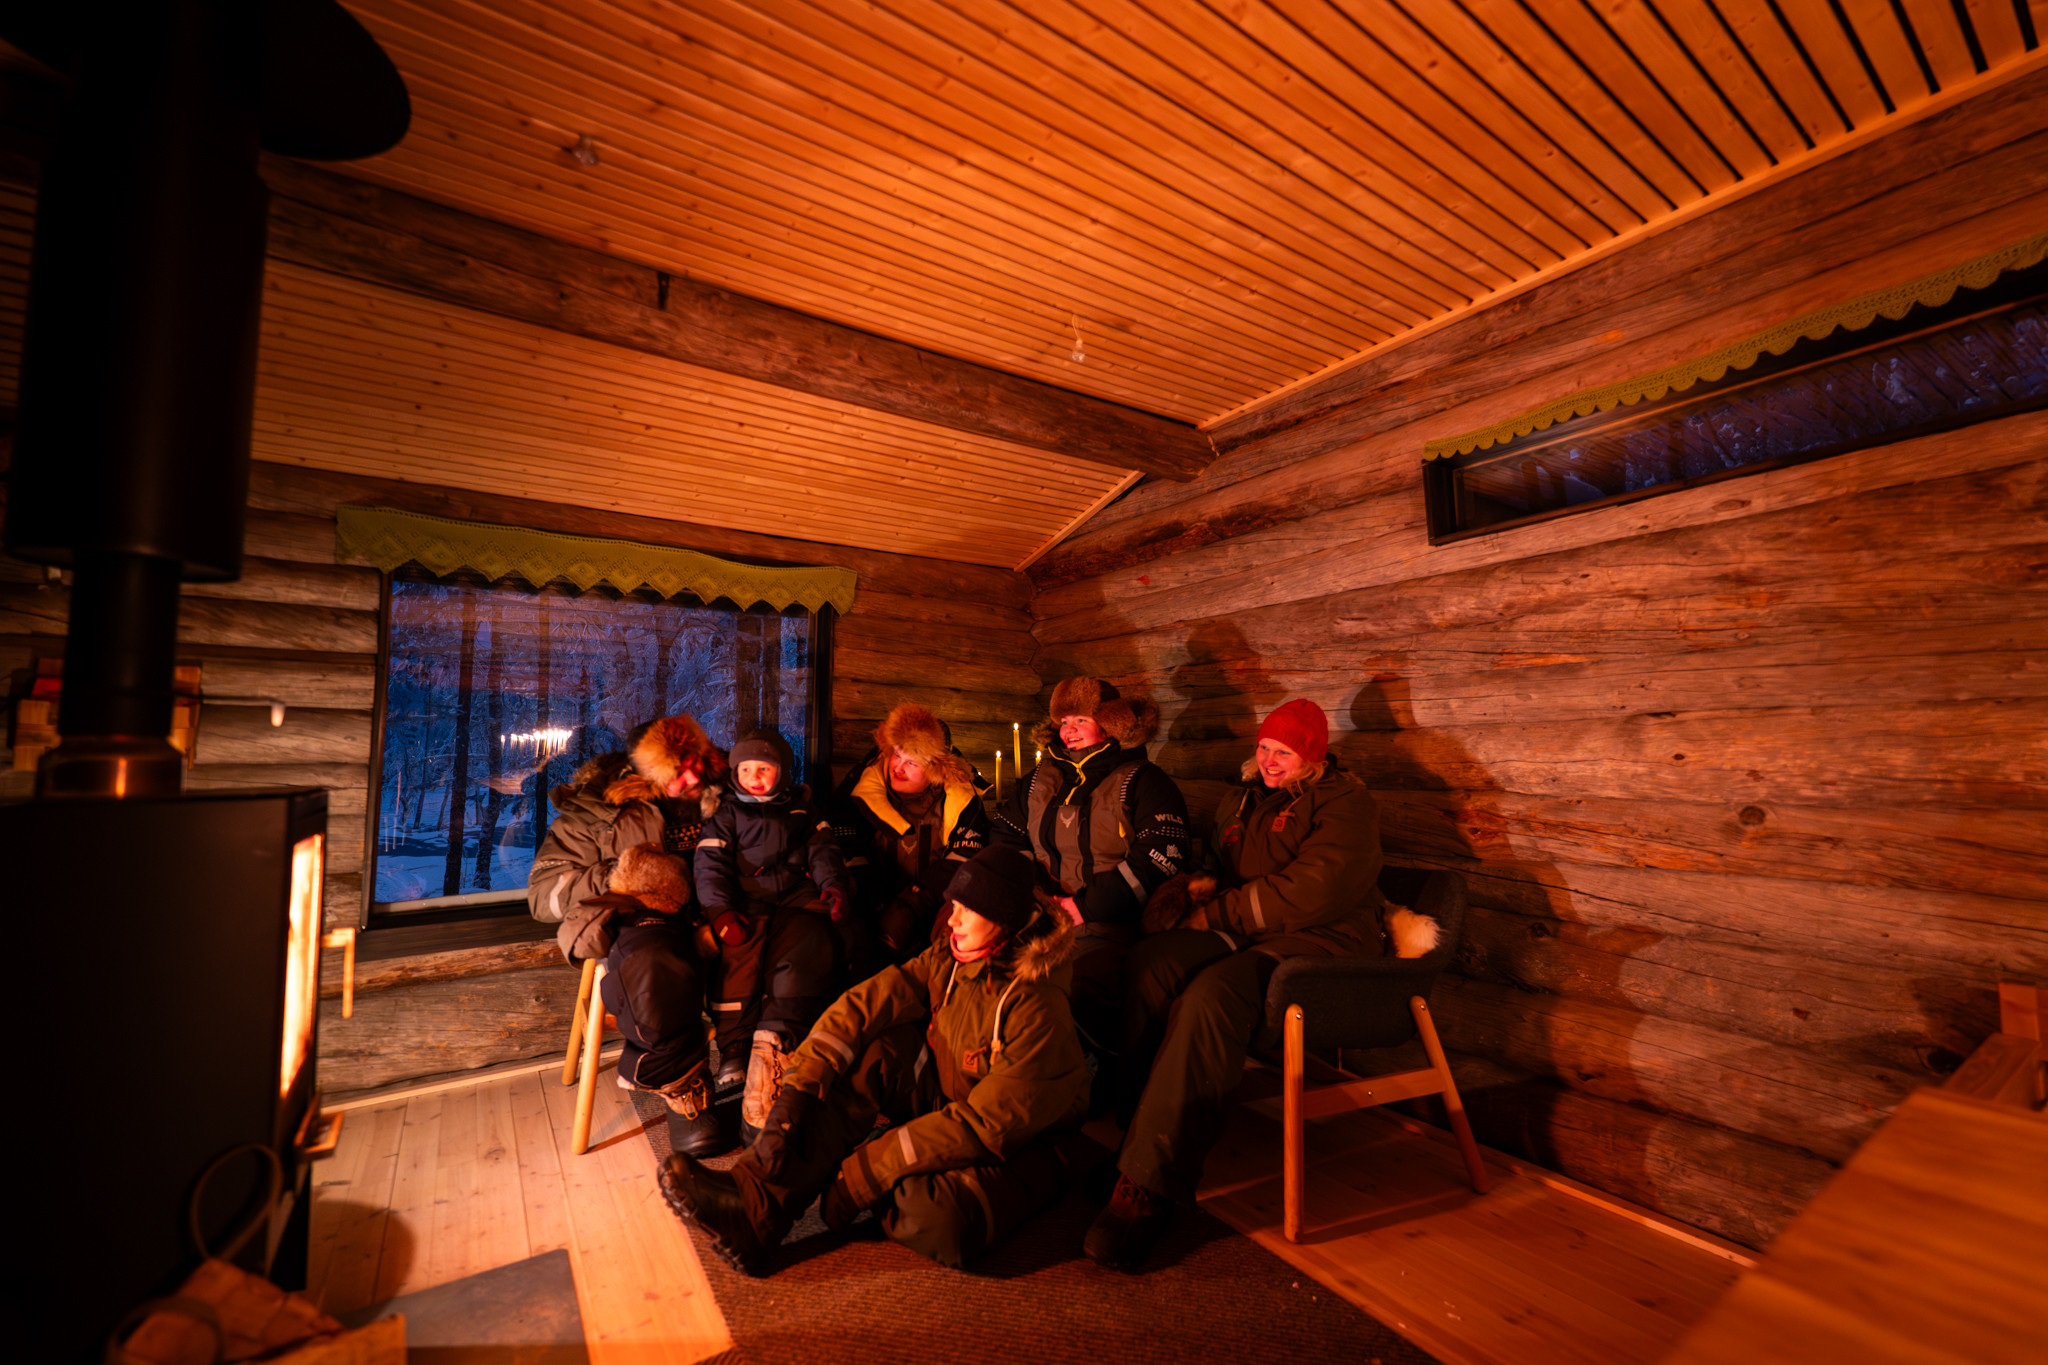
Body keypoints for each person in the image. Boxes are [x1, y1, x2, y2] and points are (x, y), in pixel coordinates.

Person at [1086, 698, 1415, 1272]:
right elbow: (1220, 868)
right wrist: (1191, 893)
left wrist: (1217, 914)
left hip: (1325, 940)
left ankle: (1151, 1185)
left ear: (1311, 757)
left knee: (1211, 995)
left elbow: (1316, 890)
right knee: (1152, 962)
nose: (1268, 760)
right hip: (1253, 930)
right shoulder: (1241, 799)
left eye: (1283, 752)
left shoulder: (1343, 801)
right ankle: (1136, 1142)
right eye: (1264, 748)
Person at [656, 845, 1087, 1273]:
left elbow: (986, 1126)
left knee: (933, 1214)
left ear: (1004, 920)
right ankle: (753, 1205)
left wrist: (867, 1171)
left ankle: (888, 1173)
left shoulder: (1037, 1007)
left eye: (967, 910)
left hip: (1024, 1144)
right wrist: (801, 1083)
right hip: (951, 1096)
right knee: (867, 1054)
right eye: (954, 905)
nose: (952, 919)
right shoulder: (955, 955)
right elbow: (865, 1004)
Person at [529, 714, 731, 1155]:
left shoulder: (729, 788)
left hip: (718, 910)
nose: (691, 778)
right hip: (644, 921)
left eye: (694, 764)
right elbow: (543, 897)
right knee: (652, 958)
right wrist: (621, 874)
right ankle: (682, 1084)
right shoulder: (597, 811)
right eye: (677, 772)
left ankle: (754, 1062)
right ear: (646, 773)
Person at [992, 676, 1189, 1053]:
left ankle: (1094, 1071)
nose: (1068, 730)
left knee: (1075, 990)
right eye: (1064, 721)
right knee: (993, 977)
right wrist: (1037, 898)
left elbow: (1160, 857)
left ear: (1110, 724)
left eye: (1080, 720)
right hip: (1043, 914)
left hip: (1112, 923)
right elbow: (1006, 837)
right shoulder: (1038, 780)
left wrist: (1085, 907)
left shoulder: (1144, 780)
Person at [695, 727, 852, 1142]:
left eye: (764, 769)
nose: (755, 777)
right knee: (739, 954)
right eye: (746, 769)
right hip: (746, 897)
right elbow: (710, 866)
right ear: (735, 773)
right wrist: (720, 911)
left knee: (819, 937)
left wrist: (833, 887)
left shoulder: (801, 810)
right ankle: (735, 1048)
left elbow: (824, 851)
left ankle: (788, 1037)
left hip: (796, 892)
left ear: (781, 772)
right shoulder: (727, 814)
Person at [829, 703, 991, 974]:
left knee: (958, 936)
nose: (898, 767)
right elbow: (845, 851)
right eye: (897, 754)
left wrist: (911, 905)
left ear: (936, 768)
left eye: (912, 762)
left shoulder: (961, 800)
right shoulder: (860, 790)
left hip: (936, 905)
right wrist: (880, 907)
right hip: (870, 906)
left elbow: (964, 860)